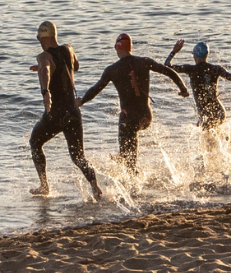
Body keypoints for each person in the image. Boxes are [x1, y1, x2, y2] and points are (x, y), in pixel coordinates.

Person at [81, 33, 190, 171]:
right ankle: (130, 166)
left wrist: (81, 101)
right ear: (131, 47)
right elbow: (168, 71)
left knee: (126, 123)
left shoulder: (112, 70)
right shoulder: (144, 61)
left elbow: (95, 90)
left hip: (129, 117)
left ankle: (127, 165)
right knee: (131, 140)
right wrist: (183, 88)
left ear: (118, 47)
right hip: (146, 116)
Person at [162, 39, 231, 162]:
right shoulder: (215, 69)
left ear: (195, 56)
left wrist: (174, 52)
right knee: (213, 134)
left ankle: (220, 164)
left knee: (208, 144)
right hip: (219, 111)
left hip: (206, 114)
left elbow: (167, 67)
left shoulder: (191, 69)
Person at [29, 22, 103, 198]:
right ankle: (95, 187)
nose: (39, 41)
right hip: (73, 111)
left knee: (35, 142)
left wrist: (45, 91)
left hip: (56, 113)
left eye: (39, 38)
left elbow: (46, 70)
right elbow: (75, 66)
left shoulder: (43, 57)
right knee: (78, 157)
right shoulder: (68, 49)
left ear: (43, 38)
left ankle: (44, 186)